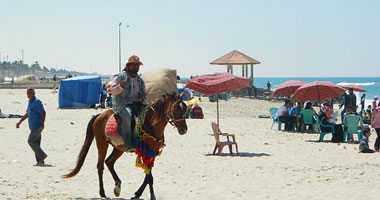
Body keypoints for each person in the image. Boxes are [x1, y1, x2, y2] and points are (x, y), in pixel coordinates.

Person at [107, 55, 146, 152]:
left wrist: (143, 96)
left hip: (137, 103)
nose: (135, 67)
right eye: (133, 65)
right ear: (128, 66)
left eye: (137, 65)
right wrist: (120, 86)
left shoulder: (140, 80)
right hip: (122, 104)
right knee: (128, 117)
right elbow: (111, 90)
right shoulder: (120, 77)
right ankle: (128, 144)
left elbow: (143, 92)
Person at [16, 88, 48, 166]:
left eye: (30, 93)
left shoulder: (37, 102)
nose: (28, 94)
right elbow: (27, 113)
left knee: (30, 141)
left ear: (34, 93)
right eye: (27, 93)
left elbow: (43, 113)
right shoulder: (30, 102)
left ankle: (42, 155)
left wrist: (42, 124)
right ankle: (40, 161)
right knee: (36, 143)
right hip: (32, 126)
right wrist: (20, 122)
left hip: (37, 126)